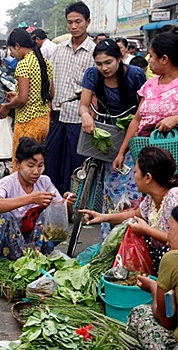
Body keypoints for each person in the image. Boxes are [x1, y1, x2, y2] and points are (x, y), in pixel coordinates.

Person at [79, 38, 146, 237]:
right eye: (99, 63)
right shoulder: (92, 75)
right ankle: (110, 235)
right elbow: (84, 104)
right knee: (109, 185)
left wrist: (125, 148)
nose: (104, 68)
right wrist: (85, 116)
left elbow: (141, 111)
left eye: (108, 62)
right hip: (107, 130)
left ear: (119, 58)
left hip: (133, 132)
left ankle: (133, 232)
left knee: (134, 184)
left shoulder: (135, 74)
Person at [81, 147, 178, 273]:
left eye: (136, 172)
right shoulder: (151, 199)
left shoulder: (174, 197)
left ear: (148, 178)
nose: (134, 176)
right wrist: (103, 217)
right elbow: (134, 214)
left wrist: (147, 230)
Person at [0, 137, 75, 261]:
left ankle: (33, 259)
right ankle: (7, 259)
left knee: (48, 215)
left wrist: (67, 204)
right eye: (30, 166)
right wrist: (30, 199)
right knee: (1, 217)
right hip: (5, 243)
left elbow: (62, 218)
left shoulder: (45, 182)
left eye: (40, 166)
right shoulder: (7, 183)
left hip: (31, 242)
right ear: (17, 164)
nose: (36, 171)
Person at [45, 1, 95, 194]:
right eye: (70, 22)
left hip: (80, 118)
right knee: (53, 161)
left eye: (78, 22)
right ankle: (54, 202)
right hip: (58, 115)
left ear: (87, 22)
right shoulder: (58, 50)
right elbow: (52, 81)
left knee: (77, 165)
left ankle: (76, 205)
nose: (74, 26)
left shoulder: (93, 52)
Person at [114, 29, 178, 172]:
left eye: (152, 56)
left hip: (173, 159)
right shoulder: (150, 84)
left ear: (164, 59)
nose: (148, 60)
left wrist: (175, 119)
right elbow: (137, 120)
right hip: (147, 157)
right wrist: (122, 152)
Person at [0, 28, 53, 167]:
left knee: (22, 168)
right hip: (43, 122)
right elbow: (50, 94)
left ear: (17, 46)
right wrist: (16, 96)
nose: (12, 54)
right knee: (35, 166)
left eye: (12, 50)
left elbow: (22, 99)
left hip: (27, 123)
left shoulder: (23, 65)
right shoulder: (45, 62)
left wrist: (6, 107)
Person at [128, 206, 178, 349]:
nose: (167, 238)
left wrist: (152, 287)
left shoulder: (172, 259)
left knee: (140, 312)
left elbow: (166, 321)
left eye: (169, 229)